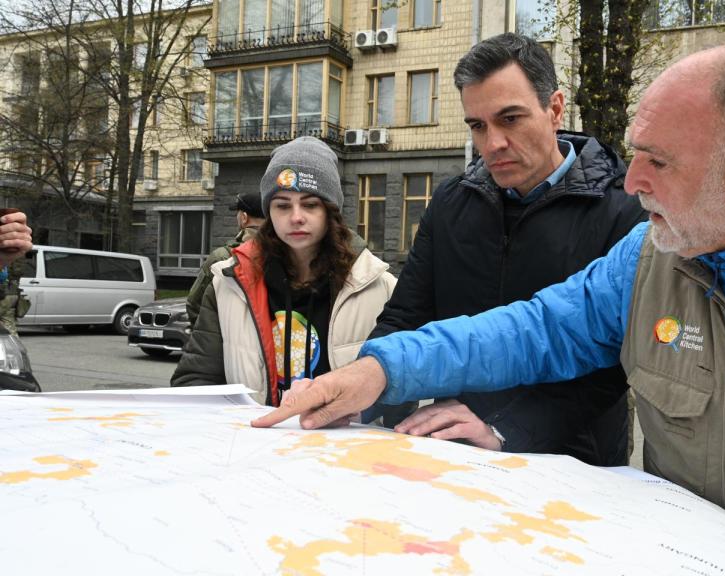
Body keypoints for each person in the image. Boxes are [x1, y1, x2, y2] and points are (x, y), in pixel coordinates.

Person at [253, 44, 725, 573]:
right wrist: (382, 369)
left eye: (657, 162)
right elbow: (535, 329)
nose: (630, 183)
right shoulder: (651, 257)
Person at [370, 33, 645, 464]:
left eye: (510, 119)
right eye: (478, 126)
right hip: (457, 448)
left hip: (572, 463)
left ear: (554, 109)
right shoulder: (450, 202)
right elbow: (407, 315)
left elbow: (615, 364)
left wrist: (506, 430)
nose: (492, 143)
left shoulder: (621, 209)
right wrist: (364, 391)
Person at [172, 136, 396, 406]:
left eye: (310, 204)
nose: (296, 216)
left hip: (340, 444)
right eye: (283, 205)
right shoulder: (228, 284)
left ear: (331, 211)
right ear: (269, 211)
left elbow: (398, 392)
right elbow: (195, 382)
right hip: (257, 442)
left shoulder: (379, 287)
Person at [185, 190, 266, 326]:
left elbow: (194, 305)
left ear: (244, 218)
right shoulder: (286, 253)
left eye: (238, 213)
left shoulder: (222, 257)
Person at [0, 209, 34, 334]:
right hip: (8, 294)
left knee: (10, 338)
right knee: (9, 331)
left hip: (8, 294)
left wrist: (3, 260)